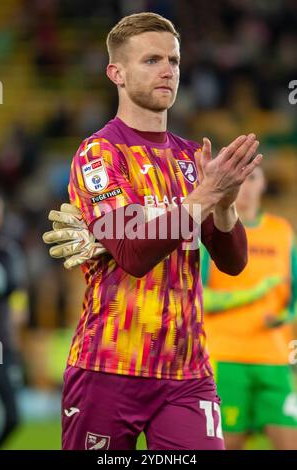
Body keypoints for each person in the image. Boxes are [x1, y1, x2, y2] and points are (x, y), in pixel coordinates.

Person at [43, 12, 262, 450]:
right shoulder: (99, 154)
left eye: (175, 61)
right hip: (108, 365)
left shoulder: (189, 157)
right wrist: (204, 195)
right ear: (116, 73)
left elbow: (233, 262)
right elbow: (133, 255)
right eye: (152, 60)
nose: (168, 70)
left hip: (187, 371)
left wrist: (225, 203)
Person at [201, 166, 297, 450]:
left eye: (252, 178)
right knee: (227, 444)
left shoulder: (281, 231)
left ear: (263, 183)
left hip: (275, 360)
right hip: (227, 358)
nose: (245, 188)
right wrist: (253, 294)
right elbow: (198, 296)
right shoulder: (212, 230)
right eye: (239, 181)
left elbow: (293, 295)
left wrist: (285, 316)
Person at [0, 192, 28, 448]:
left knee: (13, 416)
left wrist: (18, 316)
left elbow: (18, 293)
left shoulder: (7, 250)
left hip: (0, 344)